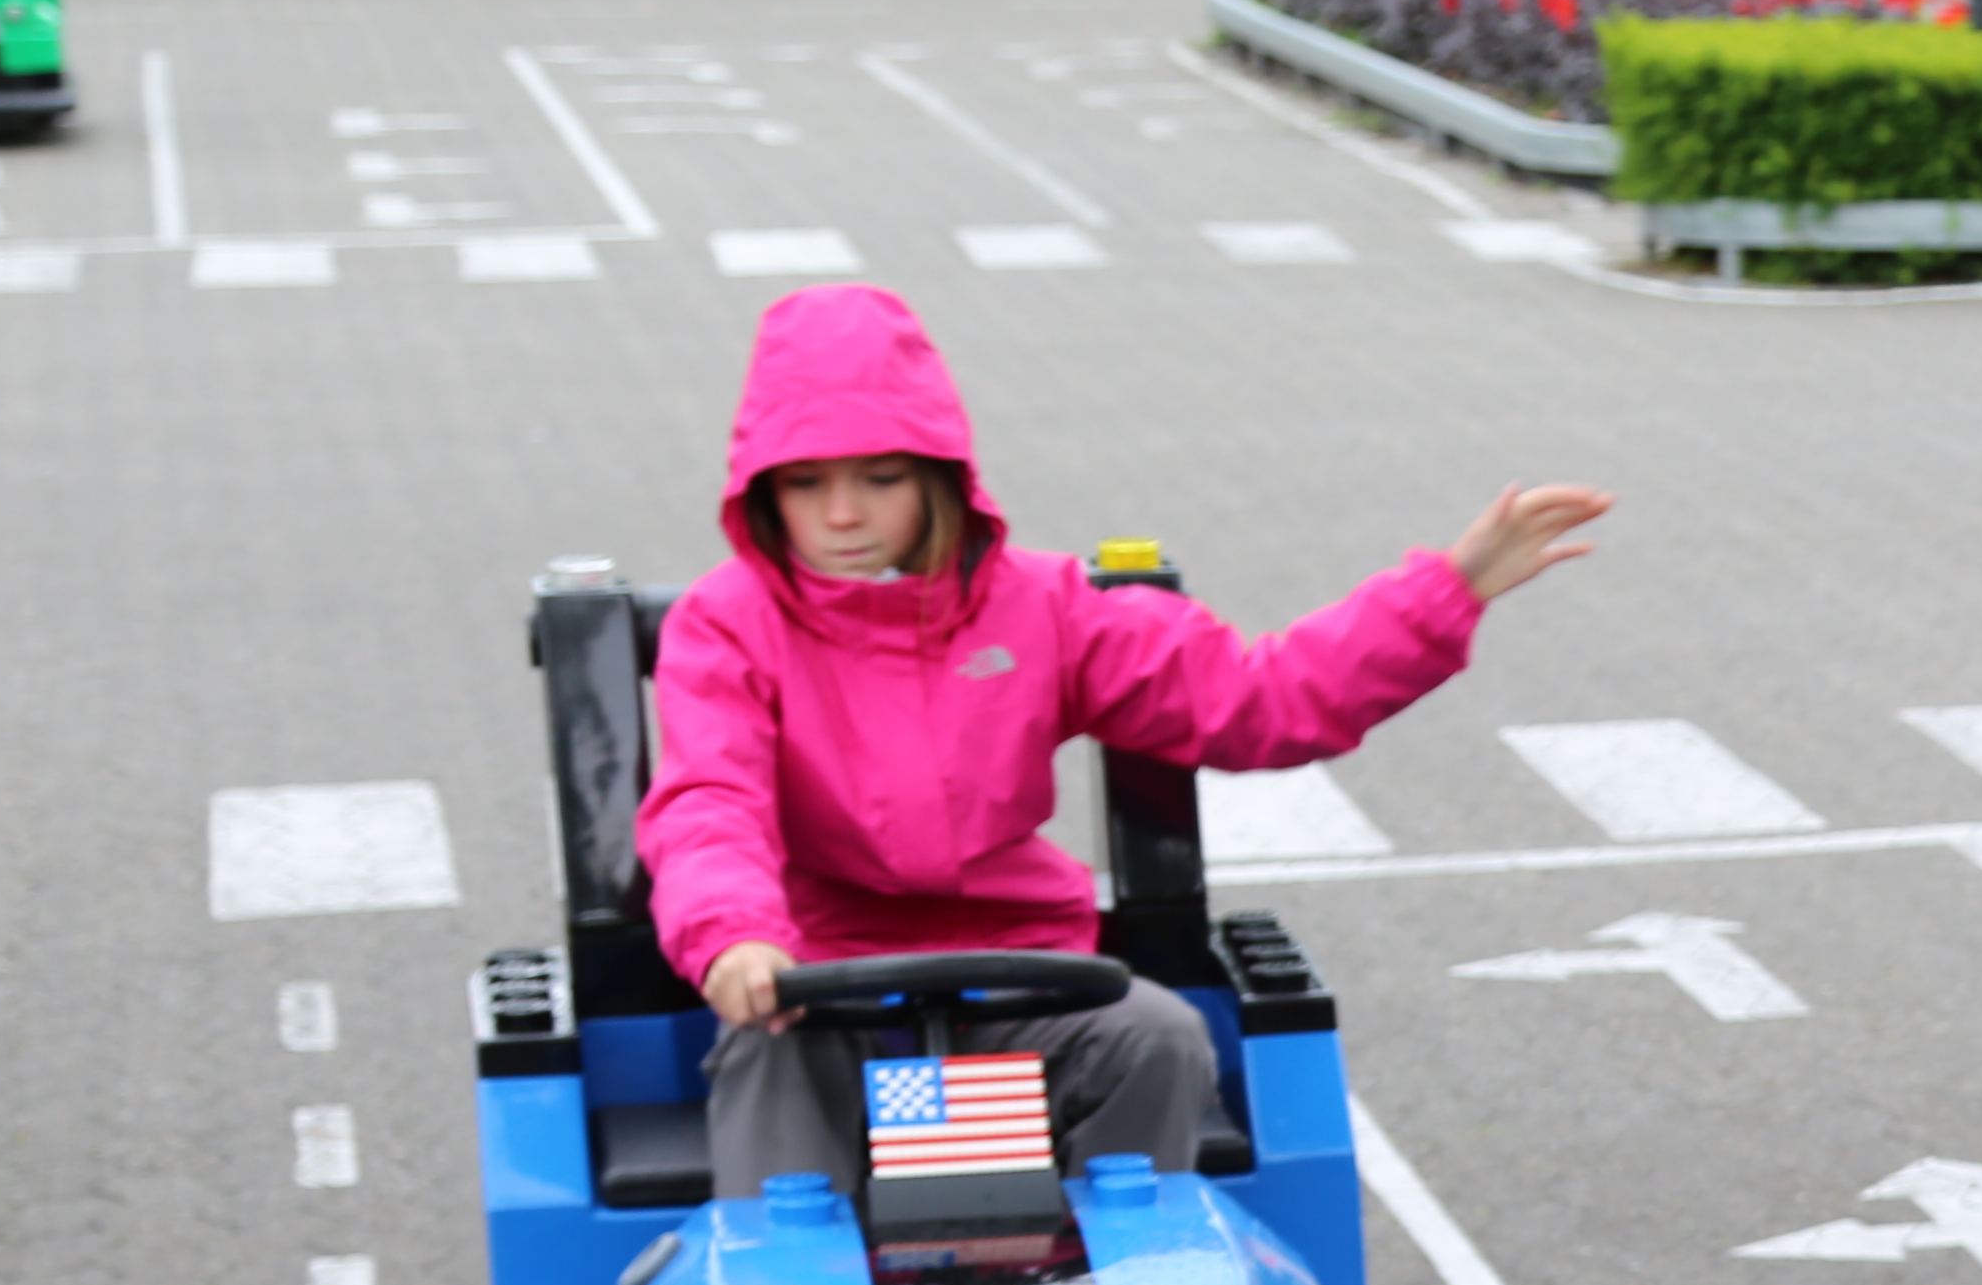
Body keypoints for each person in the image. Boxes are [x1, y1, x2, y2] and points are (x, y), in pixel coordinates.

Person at [643, 281, 1606, 1197]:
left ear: (938, 477)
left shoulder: (1044, 607)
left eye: (880, 478)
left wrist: (1446, 592)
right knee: (768, 1077)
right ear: (762, 491)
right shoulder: (725, 624)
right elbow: (708, 802)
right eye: (806, 483)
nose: (843, 514)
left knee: (1160, 1038)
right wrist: (737, 938)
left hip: (1023, 981)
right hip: (818, 989)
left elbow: (1257, 700)